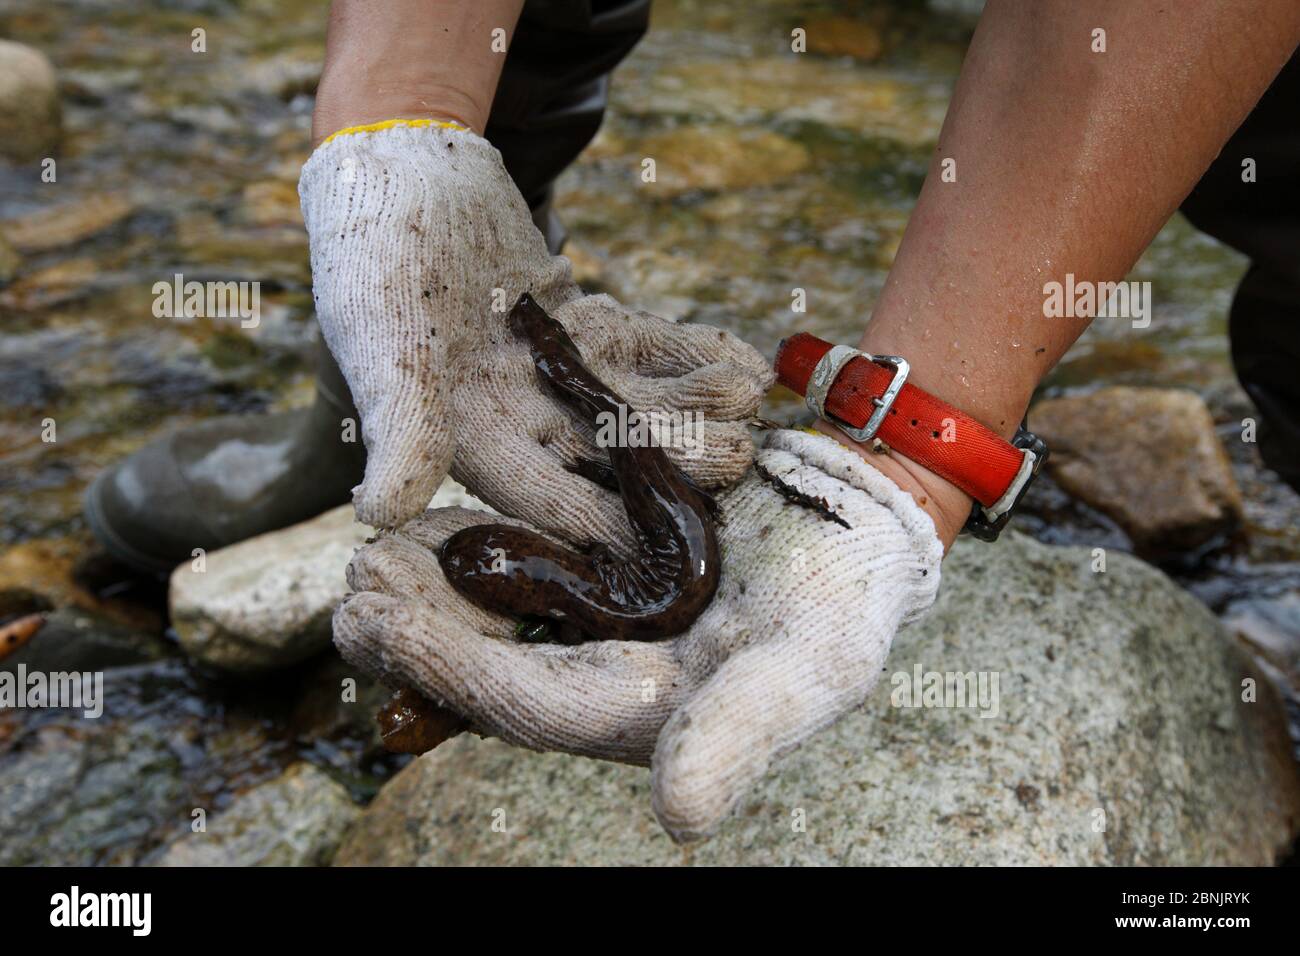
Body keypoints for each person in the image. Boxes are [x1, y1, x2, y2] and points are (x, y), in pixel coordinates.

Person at [85, 0, 1300, 841]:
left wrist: (915, 445)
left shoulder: (588, 575)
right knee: (511, 102)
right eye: (516, 573)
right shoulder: (603, 568)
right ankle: (402, 359)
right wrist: (396, 130)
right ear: (536, 588)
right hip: (648, 539)